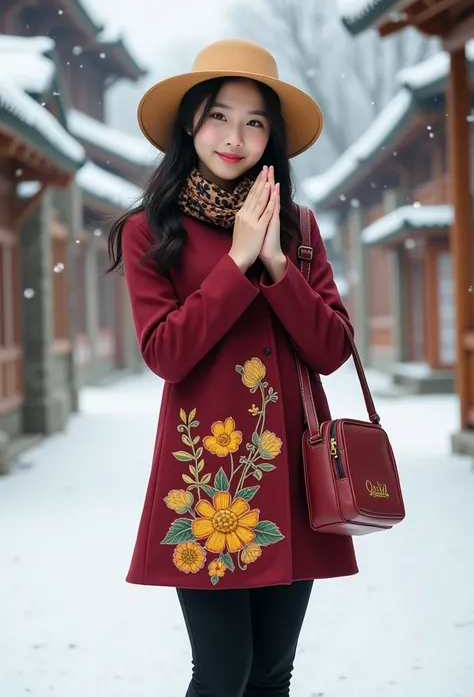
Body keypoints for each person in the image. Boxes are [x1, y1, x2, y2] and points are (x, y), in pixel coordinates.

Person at [107, 38, 358, 697]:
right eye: (219, 115)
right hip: (208, 486)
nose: (234, 136)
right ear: (191, 122)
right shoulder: (149, 229)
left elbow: (332, 348)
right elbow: (166, 351)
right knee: (222, 675)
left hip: (295, 481)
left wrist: (276, 264)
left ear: (271, 137)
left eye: (254, 121)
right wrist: (237, 262)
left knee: (272, 676)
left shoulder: (297, 226)